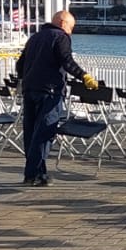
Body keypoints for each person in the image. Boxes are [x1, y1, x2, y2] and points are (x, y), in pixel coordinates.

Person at [16, 10, 96, 187]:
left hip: (30, 90)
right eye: (71, 27)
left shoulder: (35, 37)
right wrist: (84, 76)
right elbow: (67, 61)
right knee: (44, 132)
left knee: (31, 132)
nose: (71, 32)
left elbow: (19, 64)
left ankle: (35, 174)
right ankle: (34, 174)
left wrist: (26, 78)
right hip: (50, 91)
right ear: (62, 23)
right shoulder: (60, 37)